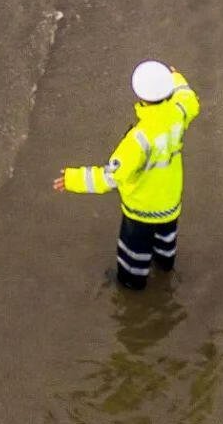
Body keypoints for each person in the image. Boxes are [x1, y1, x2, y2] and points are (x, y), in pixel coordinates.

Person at [54, 61, 201, 290]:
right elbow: (189, 98)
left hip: (141, 209)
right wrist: (177, 78)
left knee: (134, 252)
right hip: (170, 201)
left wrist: (74, 179)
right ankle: (165, 266)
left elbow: (112, 177)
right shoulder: (179, 113)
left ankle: (132, 281)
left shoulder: (138, 139)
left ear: (140, 95)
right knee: (165, 241)